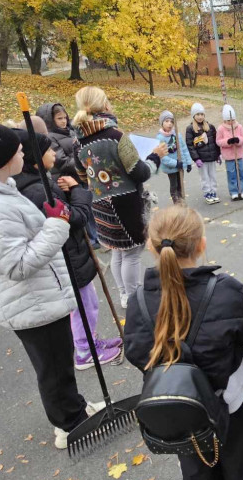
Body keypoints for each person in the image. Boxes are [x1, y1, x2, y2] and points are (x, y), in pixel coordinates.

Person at [0, 122, 101, 449]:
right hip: (30, 302)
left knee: (59, 363)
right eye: (17, 150)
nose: (24, 152)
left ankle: (74, 407)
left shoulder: (0, 189)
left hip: (38, 297)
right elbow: (17, 265)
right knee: (53, 369)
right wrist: (57, 226)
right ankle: (69, 425)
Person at [124, 205, 243, 480]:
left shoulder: (139, 300)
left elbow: (136, 352)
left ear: (153, 248)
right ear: (201, 245)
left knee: (191, 458)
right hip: (227, 393)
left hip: (177, 400)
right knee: (236, 447)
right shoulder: (226, 290)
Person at [11, 129, 123, 370]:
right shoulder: (38, 190)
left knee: (85, 302)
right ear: (36, 157)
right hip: (68, 257)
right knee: (85, 304)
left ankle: (89, 342)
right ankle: (84, 350)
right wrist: (77, 191)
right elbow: (76, 217)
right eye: (48, 150)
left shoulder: (38, 182)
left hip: (69, 256)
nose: (53, 152)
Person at [72, 86, 168, 310]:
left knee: (117, 250)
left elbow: (80, 175)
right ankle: (134, 298)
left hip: (100, 203)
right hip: (125, 204)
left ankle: (124, 294)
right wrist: (156, 156)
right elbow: (140, 172)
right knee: (132, 251)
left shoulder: (79, 142)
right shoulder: (116, 137)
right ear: (105, 105)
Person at [38, 100, 100, 248]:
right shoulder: (50, 137)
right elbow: (62, 161)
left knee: (91, 205)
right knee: (82, 209)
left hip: (81, 176)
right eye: (59, 118)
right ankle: (91, 239)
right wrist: (83, 161)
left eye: (65, 117)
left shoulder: (70, 131)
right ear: (50, 120)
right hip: (67, 180)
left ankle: (96, 235)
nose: (64, 121)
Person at [186, 103, 221, 204]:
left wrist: (218, 154)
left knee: (213, 175)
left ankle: (213, 192)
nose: (200, 117)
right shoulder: (190, 129)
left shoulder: (210, 127)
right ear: (194, 116)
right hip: (202, 159)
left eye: (202, 114)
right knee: (204, 177)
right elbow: (190, 145)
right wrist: (196, 158)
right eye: (198, 114)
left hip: (212, 157)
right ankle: (207, 193)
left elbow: (216, 142)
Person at [156, 110, 190, 203]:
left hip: (180, 165)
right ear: (162, 123)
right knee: (174, 186)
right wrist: (175, 164)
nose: (169, 124)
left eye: (171, 121)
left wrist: (188, 162)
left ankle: (182, 201)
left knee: (181, 184)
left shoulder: (177, 134)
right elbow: (162, 156)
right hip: (171, 168)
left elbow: (183, 148)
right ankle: (177, 203)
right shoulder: (160, 138)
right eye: (166, 121)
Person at [216, 105, 243, 201]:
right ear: (224, 120)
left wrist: (238, 140)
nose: (231, 122)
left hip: (239, 154)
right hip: (229, 156)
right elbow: (218, 141)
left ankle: (242, 190)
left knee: (240, 173)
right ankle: (233, 191)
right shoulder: (221, 128)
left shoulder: (239, 127)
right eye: (228, 120)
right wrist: (228, 142)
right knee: (231, 174)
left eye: (232, 120)